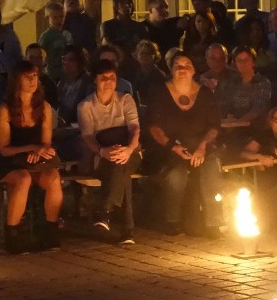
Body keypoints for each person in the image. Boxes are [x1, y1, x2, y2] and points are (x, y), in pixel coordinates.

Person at [145, 52, 225, 235]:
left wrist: (202, 146)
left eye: (187, 66)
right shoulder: (159, 92)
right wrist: (173, 147)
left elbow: (214, 126)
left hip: (200, 148)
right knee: (176, 176)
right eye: (178, 66)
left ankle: (214, 223)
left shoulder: (205, 94)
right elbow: (153, 126)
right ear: (171, 69)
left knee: (212, 171)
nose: (182, 70)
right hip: (168, 150)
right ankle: (173, 220)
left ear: (194, 70)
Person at [0, 61, 64, 253]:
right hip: (10, 160)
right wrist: (31, 148)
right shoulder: (5, 109)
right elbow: (4, 149)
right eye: (27, 77)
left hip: (35, 159)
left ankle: (51, 231)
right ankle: (13, 234)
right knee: (23, 178)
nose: (33, 80)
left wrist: (39, 151)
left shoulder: (44, 107)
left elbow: (46, 142)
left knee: (53, 177)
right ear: (17, 81)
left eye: (34, 76)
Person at [77, 59, 142, 241]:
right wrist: (103, 151)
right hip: (102, 155)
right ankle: (127, 229)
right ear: (95, 79)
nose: (108, 82)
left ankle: (104, 211)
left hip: (129, 151)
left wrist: (129, 149)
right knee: (121, 169)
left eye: (112, 78)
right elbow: (87, 136)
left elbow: (135, 128)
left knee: (122, 162)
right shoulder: (85, 106)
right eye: (103, 78)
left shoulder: (125, 100)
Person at [218, 46, 272, 126]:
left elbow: (258, 109)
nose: (243, 64)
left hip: (255, 127)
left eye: (246, 60)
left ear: (253, 62)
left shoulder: (262, 82)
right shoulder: (231, 82)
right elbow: (226, 104)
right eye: (239, 61)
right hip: (233, 126)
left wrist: (238, 122)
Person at [56, 46, 92, 125]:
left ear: (80, 61)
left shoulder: (88, 82)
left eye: (71, 60)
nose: (66, 63)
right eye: (63, 59)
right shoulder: (62, 82)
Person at [37, 2, 73, 81]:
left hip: (66, 73)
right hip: (52, 74)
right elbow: (40, 54)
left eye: (61, 16)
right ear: (47, 18)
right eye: (55, 17)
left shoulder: (66, 35)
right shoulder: (46, 36)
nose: (59, 20)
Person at [131, 40, 168, 104]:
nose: (144, 56)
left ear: (154, 56)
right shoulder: (135, 74)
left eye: (148, 53)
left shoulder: (159, 76)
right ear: (137, 55)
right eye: (142, 53)